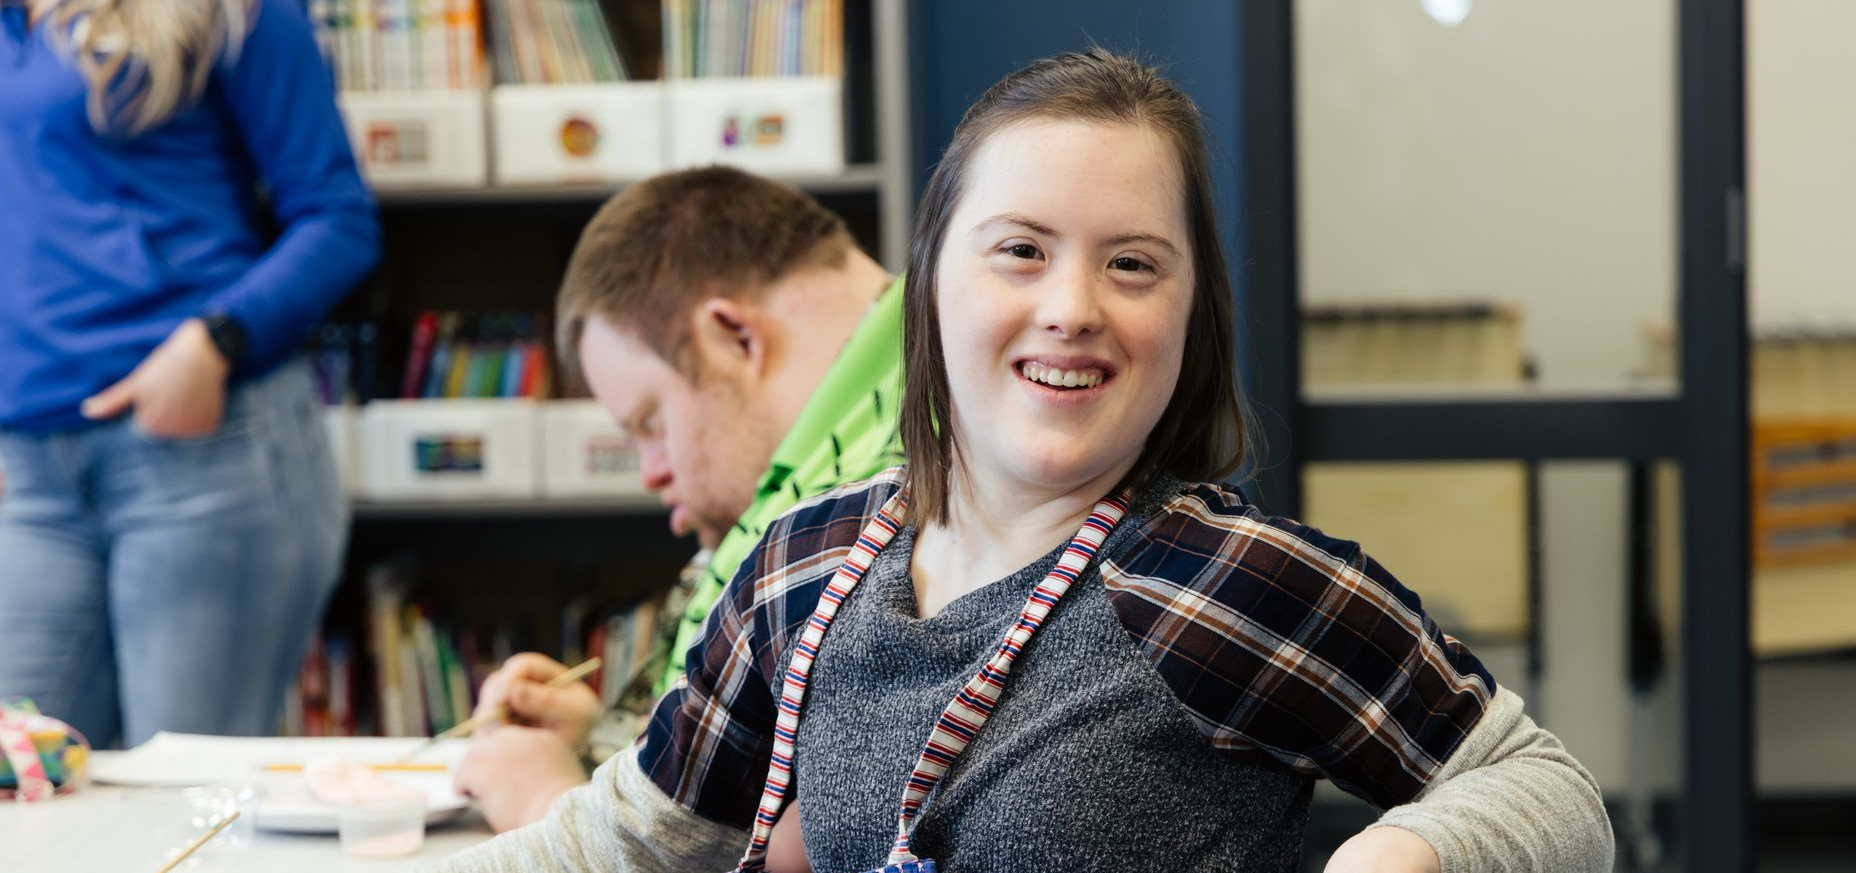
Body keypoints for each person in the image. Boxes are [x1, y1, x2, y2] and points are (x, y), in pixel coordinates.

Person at [432, 50, 1614, 873]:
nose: (1072, 307)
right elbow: (636, 840)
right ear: (934, 280)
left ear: (1190, 318)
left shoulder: (1227, 583)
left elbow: (1546, 788)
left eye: (1134, 265)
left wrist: (1401, 850)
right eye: (1021, 251)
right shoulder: (810, 563)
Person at [452, 166, 902, 832]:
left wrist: (542, 804)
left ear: (735, 338)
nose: (651, 473)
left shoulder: (870, 506)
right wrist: (620, 741)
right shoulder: (907, 393)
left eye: (651, 424)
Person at [0, 0, 379, 747]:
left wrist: (214, 342)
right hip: (33, 477)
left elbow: (339, 218)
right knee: (26, 792)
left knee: (183, 800)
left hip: (208, 454)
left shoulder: (236, 14)